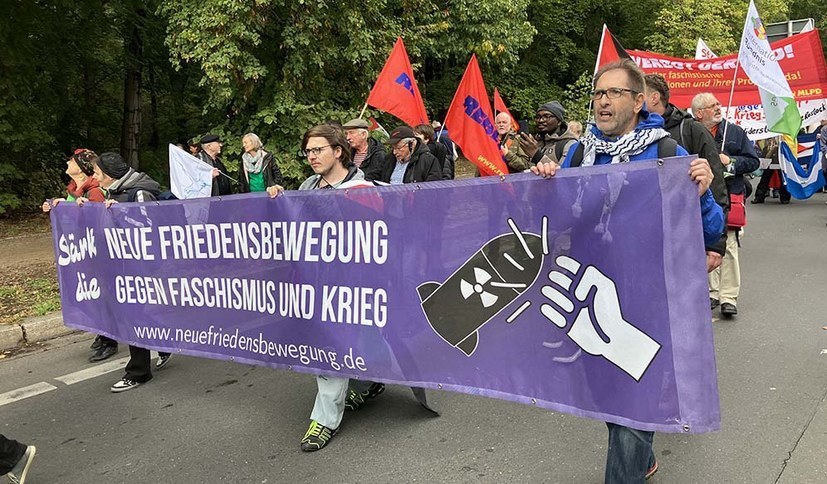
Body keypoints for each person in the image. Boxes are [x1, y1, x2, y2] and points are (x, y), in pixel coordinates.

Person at [533, 59, 723, 483]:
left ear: (638, 102)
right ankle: (643, 456)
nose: (603, 101)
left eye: (614, 93)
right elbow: (556, 218)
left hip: (648, 297)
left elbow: (708, 228)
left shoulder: (667, 152)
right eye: (598, 93)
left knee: (634, 393)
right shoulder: (580, 154)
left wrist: (704, 193)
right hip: (592, 292)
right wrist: (545, 181)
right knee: (609, 390)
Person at [266, 124, 385, 451]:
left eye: (318, 149)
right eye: (308, 151)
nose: (312, 156)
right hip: (317, 281)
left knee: (352, 340)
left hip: (355, 283)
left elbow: (379, 235)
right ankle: (366, 382)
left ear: (338, 150)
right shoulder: (306, 186)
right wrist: (278, 199)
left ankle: (324, 419)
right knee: (334, 343)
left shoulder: (363, 187)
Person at [75, 152, 173, 392]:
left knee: (130, 314)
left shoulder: (138, 192)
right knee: (131, 312)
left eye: (97, 173)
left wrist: (122, 213)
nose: (95, 178)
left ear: (108, 175)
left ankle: (139, 372)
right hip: (123, 262)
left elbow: (151, 230)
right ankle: (164, 343)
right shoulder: (118, 189)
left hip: (139, 265)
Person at [643, 74, 729, 274]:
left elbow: (715, 184)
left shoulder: (691, 130)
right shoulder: (628, 136)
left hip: (684, 237)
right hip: (646, 239)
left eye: (640, 93)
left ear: (654, 98)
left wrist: (717, 244)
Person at [42, 149, 119, 362]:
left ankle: (110, 339)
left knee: (103, 296)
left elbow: (97, 222)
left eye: (72, 160)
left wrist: (74, 210)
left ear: (82, 170)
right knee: (94, 295)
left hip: (97, 253)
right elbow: (73, 215)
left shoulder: (93, 191)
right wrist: (56, 207)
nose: (68, 162)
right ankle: (103, 335)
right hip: (83, 251)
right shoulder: (75, 189)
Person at [692, 93, 760, 318]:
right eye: (713, 106)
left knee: (728, 245)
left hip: (730, 195)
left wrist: (730, 161)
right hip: (702, 196)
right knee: (706, 242)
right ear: (699, 113)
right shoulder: (691, 131)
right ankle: (711, 292)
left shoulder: (735, 132)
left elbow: (753, 161)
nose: (718, 108)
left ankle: (728, 297)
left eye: (718, 104)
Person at [519, 101, 578, 166]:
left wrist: (536, 155)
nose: (541, 120)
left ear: (559, 121)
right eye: (538, 117)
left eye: (547, 117)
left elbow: (565, 173)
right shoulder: (537, 142)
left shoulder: (570, 144)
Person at [376, 126, 442, 184]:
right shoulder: (390, 159)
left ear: (412, 144)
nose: (394, 152)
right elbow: (376, 176)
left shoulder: (428, 161)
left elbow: (433, 189)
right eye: (393, 148)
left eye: (398, 148)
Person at [752, 137, 790, 204]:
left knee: (783, 179)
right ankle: (759, 197)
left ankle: (785, 197)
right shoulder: (767, 137)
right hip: (769, 159)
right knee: (764, 179)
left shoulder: (783, 135)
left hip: (780, 159)